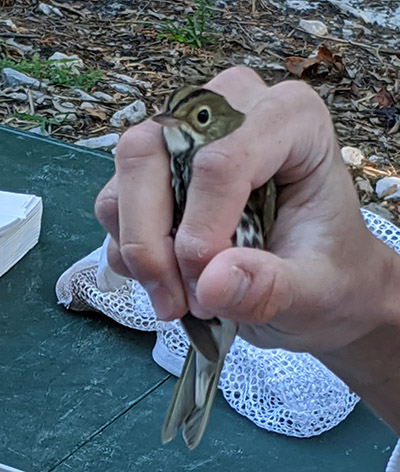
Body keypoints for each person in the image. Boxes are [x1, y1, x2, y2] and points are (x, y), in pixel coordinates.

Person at [94, 66, 400, 433]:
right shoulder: (182, 163)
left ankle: (198, 386)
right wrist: (364, 310)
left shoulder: (249, 176)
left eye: (200, 117)